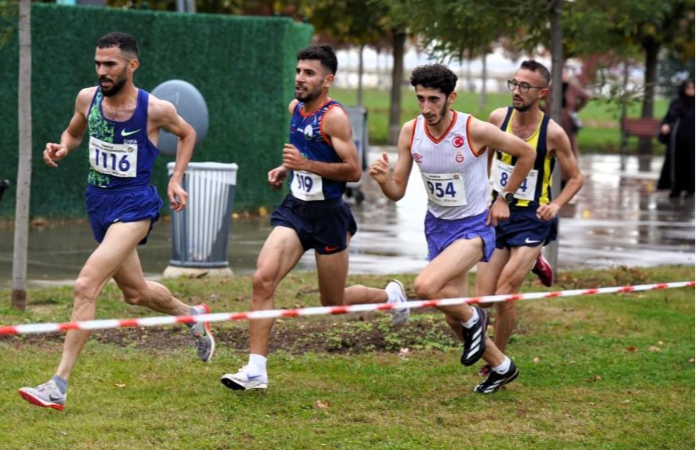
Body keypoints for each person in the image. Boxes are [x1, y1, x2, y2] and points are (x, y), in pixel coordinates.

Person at [18, 32, 215, 411]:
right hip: (98, 203)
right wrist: (62, 147)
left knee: (85, 285)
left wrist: (175, 178)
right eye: (98, 64)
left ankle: (57, 385)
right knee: (135, 293)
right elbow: (74, 133)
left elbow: (187, 133)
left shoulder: (154, 109)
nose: (102, 72)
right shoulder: (87, 98)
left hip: (135, 206)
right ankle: (193, 316)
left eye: (110, 65)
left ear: (131, 66)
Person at [220, 45, 409, 391]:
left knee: (332, 302)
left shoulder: (334, 117)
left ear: (328, 80)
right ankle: (256, 370)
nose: (299, 78)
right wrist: (284, 169)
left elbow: (353, 171)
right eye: (298, 71)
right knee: (263, 280)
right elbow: (304, 154)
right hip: (296, 208)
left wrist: (305, 166)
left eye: (309, 73)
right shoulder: (295, 109)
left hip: (328, 216)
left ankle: (389, 296)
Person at [366, 64, 536, 394]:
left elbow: (526, 153)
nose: (426, 107)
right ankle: (502, 366)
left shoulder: (474, 129)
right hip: (438, 227)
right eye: (420, 99)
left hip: (474, 226)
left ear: (451, 98)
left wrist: (503, 198)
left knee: (426, 286)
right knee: (450, 315)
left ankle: (476, 319)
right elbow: (397, 190)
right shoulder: (410, 131)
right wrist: (383, 180)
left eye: (434, 99)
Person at [475, 60, 584, 377]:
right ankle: (535, 261)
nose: (517, 91)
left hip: (533, 217)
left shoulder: (553, 133)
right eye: (515, 83)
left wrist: (556, 205)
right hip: (498, 213)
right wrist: (488, 196)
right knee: (483, 298)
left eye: (525, 86)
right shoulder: (498, 118)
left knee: (505, 294)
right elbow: (487, 156)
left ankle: (498, 362)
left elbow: (576, 177)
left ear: (543, 93)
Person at [657, 79, 696, 198]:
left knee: (691, 163)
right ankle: (675, 188)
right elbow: (668, 118)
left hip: (692, 142)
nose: (691, 90)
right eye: (688, 88)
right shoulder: (676, 103)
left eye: (693, 88)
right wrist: (665, 125)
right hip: (676, 142)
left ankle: (691, 189)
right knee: (675, 165)